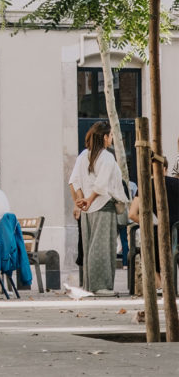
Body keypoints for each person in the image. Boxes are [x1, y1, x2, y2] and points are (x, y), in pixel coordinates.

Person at [69, 121, 127, 295]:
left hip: (88, 209)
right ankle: (100, 286)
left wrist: (81, 201)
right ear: (105, 137)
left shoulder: (82, 156)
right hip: (103, 205)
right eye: (110, 136)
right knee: (102, 246)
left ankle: (90, 285)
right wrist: (88, 199)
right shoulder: (107, 157)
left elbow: (74, 181)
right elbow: (101, 185)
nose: (112, 139)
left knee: (90, 246)